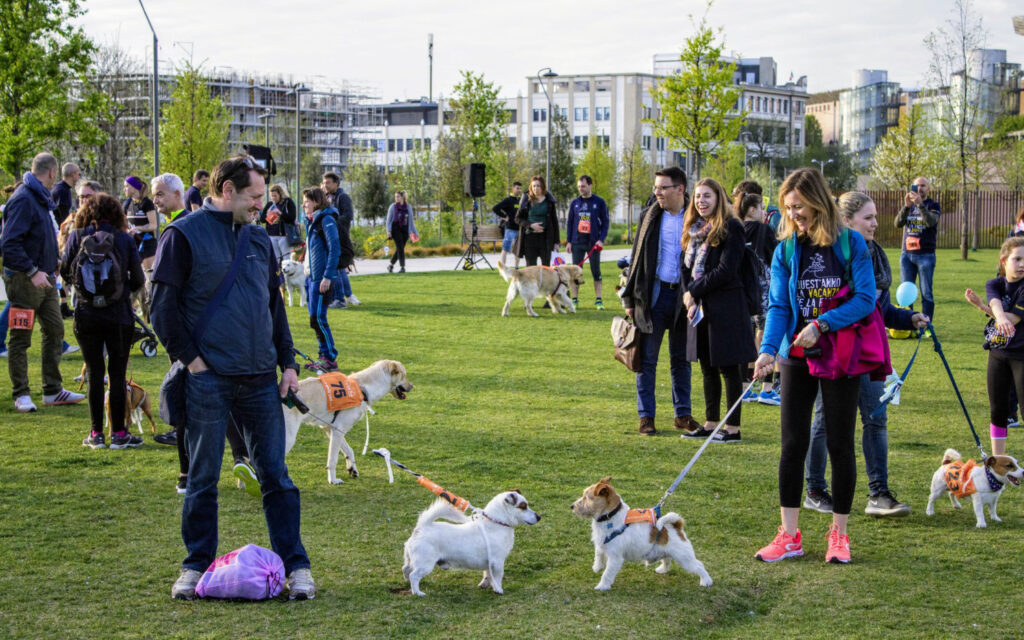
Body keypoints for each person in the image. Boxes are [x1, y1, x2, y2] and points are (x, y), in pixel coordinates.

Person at [150, 154, 314, 601]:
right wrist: (193, 362)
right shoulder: (182, 235)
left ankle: (296, 566)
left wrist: (289, 365)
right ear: (227, 191)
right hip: (208, 379)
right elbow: (161, 310)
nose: (263, 204)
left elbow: (274, 308)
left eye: (263, 196)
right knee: (202, 477)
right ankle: (195, 565)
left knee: (277, 476)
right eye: (255, 196)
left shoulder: (260, 240)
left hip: (261, 380)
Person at [752, 167, 876, 565]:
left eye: (800, 207)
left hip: (839, 355)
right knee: (792, 444)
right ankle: (789, 535)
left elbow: (865, 300)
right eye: (789, 209)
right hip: (795, 356)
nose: (794, 215)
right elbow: (778, 306)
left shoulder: (851, 245)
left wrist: (822, 325)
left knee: (840, 444)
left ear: (818, 202)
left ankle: (839, 533)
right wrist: (769, 350)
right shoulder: (785, 251)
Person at [803, 192, 929, 518]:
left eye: (875, 217)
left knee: (876, 418)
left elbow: (878, 310)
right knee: (824, 421)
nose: (875, 223)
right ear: (847, 221)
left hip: (868, 352)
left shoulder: (874, 254)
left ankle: (879, 494)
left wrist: (907, 318)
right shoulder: (832, 255)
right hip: (835, 352)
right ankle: (815, 489)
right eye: (868, 218)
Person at [1, 153, 86, 413]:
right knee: (20, 338)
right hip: (25, 280)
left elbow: (41, 235)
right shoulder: (24, 199)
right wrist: (31, 270)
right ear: (52, 173)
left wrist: (56, 260)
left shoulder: (40, 199)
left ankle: (52, 390)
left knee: (55, 330)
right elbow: (8, 243)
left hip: (47, 277)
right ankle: (21, 394)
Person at [60, 193, 146, 449]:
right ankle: (119, 433)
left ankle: (96, 432)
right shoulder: (124, 239)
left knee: (95, 373)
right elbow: (139, 279)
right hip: (118, 315)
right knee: (117, 375)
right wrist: (121, 292)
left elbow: (65, 271)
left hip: (86, 315)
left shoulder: (76, 237)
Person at [619, 167, 699, 436]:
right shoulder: (650, 216)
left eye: (663, 188)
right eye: (656, 188)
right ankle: (646, 417)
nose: (657, 193)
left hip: (683, 299)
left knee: (681, 360)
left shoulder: (696, 218)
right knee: (646, 360)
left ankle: (682, 414)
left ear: (680, 189)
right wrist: (629, 296)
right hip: (653, 296)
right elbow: (636, 256)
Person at [679, 178, 757, 443]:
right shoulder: (694, 229)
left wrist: (694, 291)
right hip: (699, 309)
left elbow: (726, 270)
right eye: (698, 196)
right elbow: (685, 269)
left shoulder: (732, 227)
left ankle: (732, 428)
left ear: (719, 198)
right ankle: (711, 423)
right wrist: (687, 295)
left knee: (728, 368)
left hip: (726, 306)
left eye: (707, 196)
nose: (701, 201)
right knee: (707, 367)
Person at [737, 188, 781, 406]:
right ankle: (767, 388)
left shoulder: (736, 229)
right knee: (766, 337)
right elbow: (776, 257)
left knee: (748, 336)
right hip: (764, 291)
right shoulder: (764, 231)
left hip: (744, 291)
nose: (764, 212)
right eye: (762, 208)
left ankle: (745, 387)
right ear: (753, 209)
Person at [983, 236, 1024, 456]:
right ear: (1003, 261)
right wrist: (995, 313)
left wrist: (991, 313)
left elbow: (1014, 319)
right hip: (998, 354)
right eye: (1017, 259)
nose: (1022, 264)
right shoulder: (995, 283)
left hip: (1021, 356)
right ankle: (998, 461)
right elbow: (996, 302)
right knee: (998, 410)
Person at [301, 187, 341, 372]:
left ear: (316, 201)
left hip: (321, 279)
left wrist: (327, 276)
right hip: (311, 277)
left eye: (307, 201)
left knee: (318, 318)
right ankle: (322, 356)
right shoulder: (312, 221)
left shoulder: (326, 219)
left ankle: (330, 358)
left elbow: (335, 249)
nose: (304, 204)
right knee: (313, 319)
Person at [896, 176, 940, 327]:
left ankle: (926, 327)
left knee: (926, 294)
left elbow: (930, 222)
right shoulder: (909, 205)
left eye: (923, 186)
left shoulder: (933, 205)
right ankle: (909, 326)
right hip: (907, 255)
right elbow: (898, 223)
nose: (919, 189)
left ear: (929, 188)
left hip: (925, 255)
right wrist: (906, 207)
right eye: (916, 186)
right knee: (906, 294)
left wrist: (921, 205)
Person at [566, 175, 609, 309]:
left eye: (583, 186)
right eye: (579, 186)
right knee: (575, 272)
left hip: (593, 243)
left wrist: (601, 240)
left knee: (596, 271)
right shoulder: (575, 203)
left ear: (590, 185)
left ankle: (598, 300)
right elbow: (570, 222)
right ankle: (574, 300)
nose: (580, 189)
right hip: (577, 242)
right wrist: (568, 241)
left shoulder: (599, 202)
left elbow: (606, 222)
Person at [321, 172, 359, 306]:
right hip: (329, 235)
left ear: (336, 183)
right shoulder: (325, 197)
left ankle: (340, 298)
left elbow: (348, 215)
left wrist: (332, 221)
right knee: (340, 267)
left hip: (340, 237)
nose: (325, 185)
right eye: (324, 183)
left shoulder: (343, 197)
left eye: (328, 183)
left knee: (337, 266)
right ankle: (348, 295)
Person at [515, 176, 559, 267]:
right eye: (534, 186)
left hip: (545, 238)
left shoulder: (549, 201)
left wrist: (556, 242)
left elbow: (555, 221)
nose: (536, 188)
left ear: (543, 187)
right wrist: (530, 225)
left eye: (538, 186)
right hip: (530, 238)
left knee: (546, 268)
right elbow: (517, 218)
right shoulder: (526, 200)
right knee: (531, 269)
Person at [122, 176, 159, 272]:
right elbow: (124, 223)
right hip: (133, 244)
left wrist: (139, 228)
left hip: (147, 243)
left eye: (126, 186)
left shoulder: (147, 203)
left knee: (149, 274)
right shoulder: (127, 204)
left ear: (134, 187)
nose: (124, 189)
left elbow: (153, 225)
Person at [259, 183, 297, 261]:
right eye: (272, 196)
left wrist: (280, 213)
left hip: (283, 235)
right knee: (275, 259)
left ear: (280, 194)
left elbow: (292, 218)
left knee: (286, 258)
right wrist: (267, 214)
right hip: (271, 234)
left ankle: (285, 273)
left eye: (275, 196)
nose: (273, 198)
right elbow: (262, 219)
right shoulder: (270, 204)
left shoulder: (287, 202)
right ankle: (276, 273)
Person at [386, 190, 418, 273]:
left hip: (405, 230)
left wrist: (415, 232)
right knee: (400, 247)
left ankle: (390, 265)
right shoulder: (393, 207)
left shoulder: (408, 207)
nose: (396, 198)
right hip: (395, 229)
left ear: (402, 197)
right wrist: (388, 231)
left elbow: (411, 221)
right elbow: (388, 221)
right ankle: (402, 267)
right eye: (395, 197)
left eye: (398, 196)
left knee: (400, 249)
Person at [493, 181, 523, 268]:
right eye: (517, 188)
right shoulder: (508, 200)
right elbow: (495, 208)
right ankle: (503, 268)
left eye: (520, 189)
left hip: (519, 229)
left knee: (518, 250)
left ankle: (516, 268)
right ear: (513, 188)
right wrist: (504, 216)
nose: (519, 190)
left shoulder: (521, 200)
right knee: (505, 249)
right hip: (510, 229)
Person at [50, 163, 80, 227]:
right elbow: (64, 217)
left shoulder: (61, 188)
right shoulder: (62, 191)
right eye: (78, 174)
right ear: (73, 174)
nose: (79, 177)